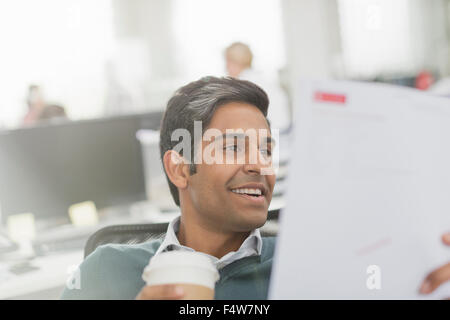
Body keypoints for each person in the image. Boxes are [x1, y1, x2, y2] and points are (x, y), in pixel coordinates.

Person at [61, 76, 450, 300]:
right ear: (179, 169)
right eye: (232, 147)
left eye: (266, 149)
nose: (258, 164)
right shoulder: (107, 271)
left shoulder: (311, 268)